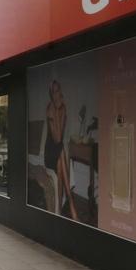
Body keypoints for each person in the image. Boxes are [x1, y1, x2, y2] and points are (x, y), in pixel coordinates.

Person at [45, 80, 80, 219]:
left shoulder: (63, 108)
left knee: (61, 158)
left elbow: (61, 136)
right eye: (54, 91)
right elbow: (57, 138)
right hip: (49, 152)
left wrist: (60, 110)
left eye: (58, 90)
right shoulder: (49, 109)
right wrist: (56, 110)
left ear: (60, 92)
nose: (56, 94)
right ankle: (71, 202)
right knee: (61, 152)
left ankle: (59, 210)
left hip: (58, 151)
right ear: (51, 94)